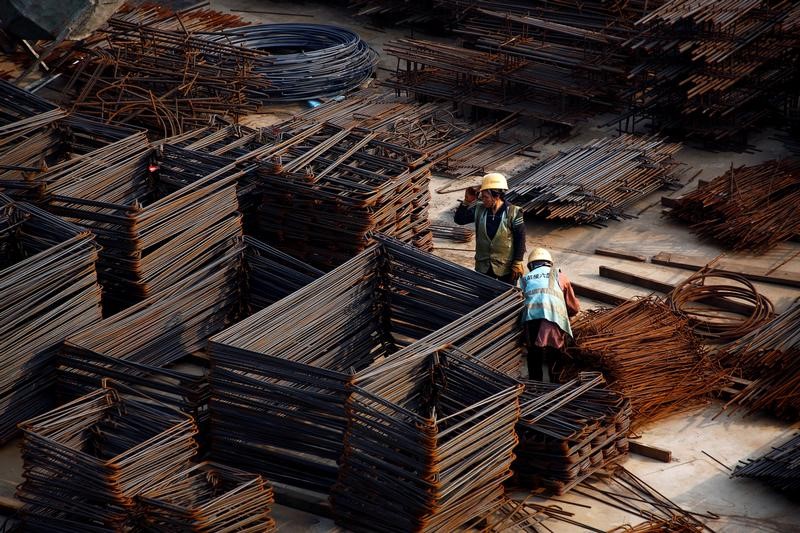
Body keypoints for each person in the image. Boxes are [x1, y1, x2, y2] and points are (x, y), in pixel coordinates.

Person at [518, 247, 580, 382]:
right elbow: (574, 307)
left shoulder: (524, 279)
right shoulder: (560, 276)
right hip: (555, 321)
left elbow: (520, 307)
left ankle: (536, 386)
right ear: (550, 263)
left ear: (531, 265)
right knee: (556, 353)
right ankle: (556, 384)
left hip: (532, 321)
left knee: (534, 355)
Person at [454, 172, 525, 283]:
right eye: (482, 196)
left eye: (486, 197)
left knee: (506, 297)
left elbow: (520, 238)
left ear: (496, 195)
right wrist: (466, 202)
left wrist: (517, 261)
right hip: (483, 266)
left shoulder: (513, 212)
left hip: (505, 268)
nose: (483, 199)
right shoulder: (479, 209)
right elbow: (459, 220)